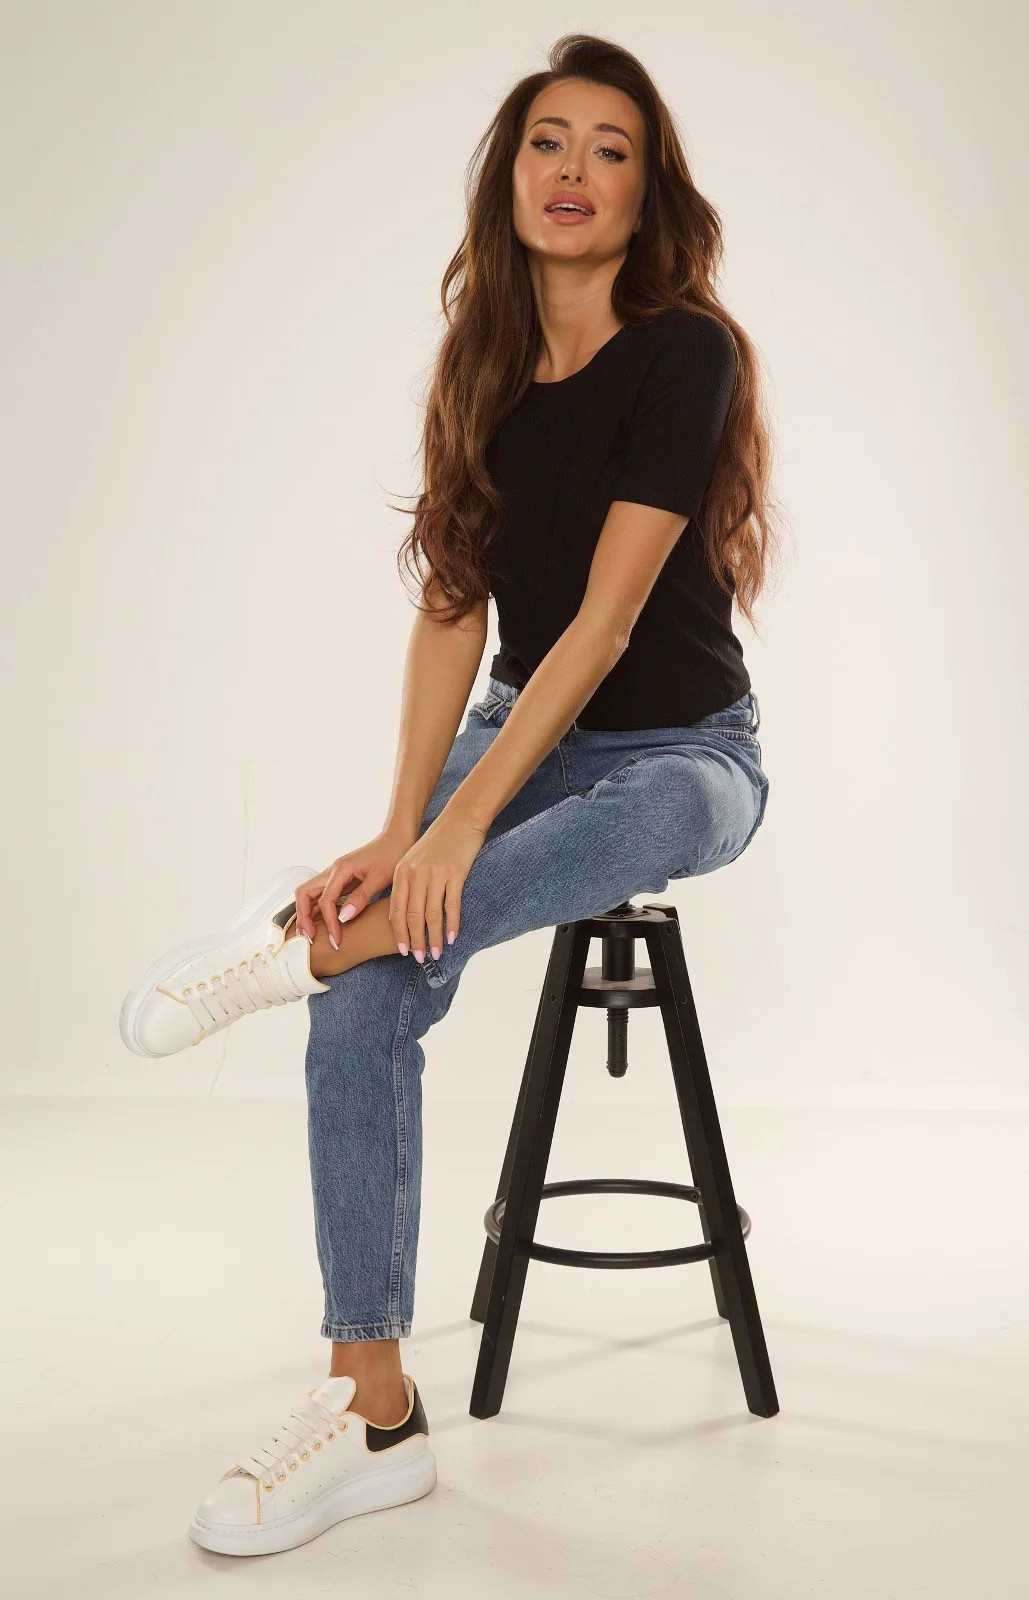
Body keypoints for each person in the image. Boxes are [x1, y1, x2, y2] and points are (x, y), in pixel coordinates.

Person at [118, 33, 782, 1558]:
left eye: (610, 148)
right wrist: (405, 827)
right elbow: (451, 608)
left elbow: (607, 624)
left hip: (683, 748)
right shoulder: (480, 363)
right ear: (508, 173)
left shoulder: (683, 352)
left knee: (652, 820)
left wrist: (458, 838)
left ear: (647, 192)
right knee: (366, 996)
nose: (573, 169)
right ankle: (371, 1410)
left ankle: (301, 946)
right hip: (521, 730)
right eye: (548, 140)